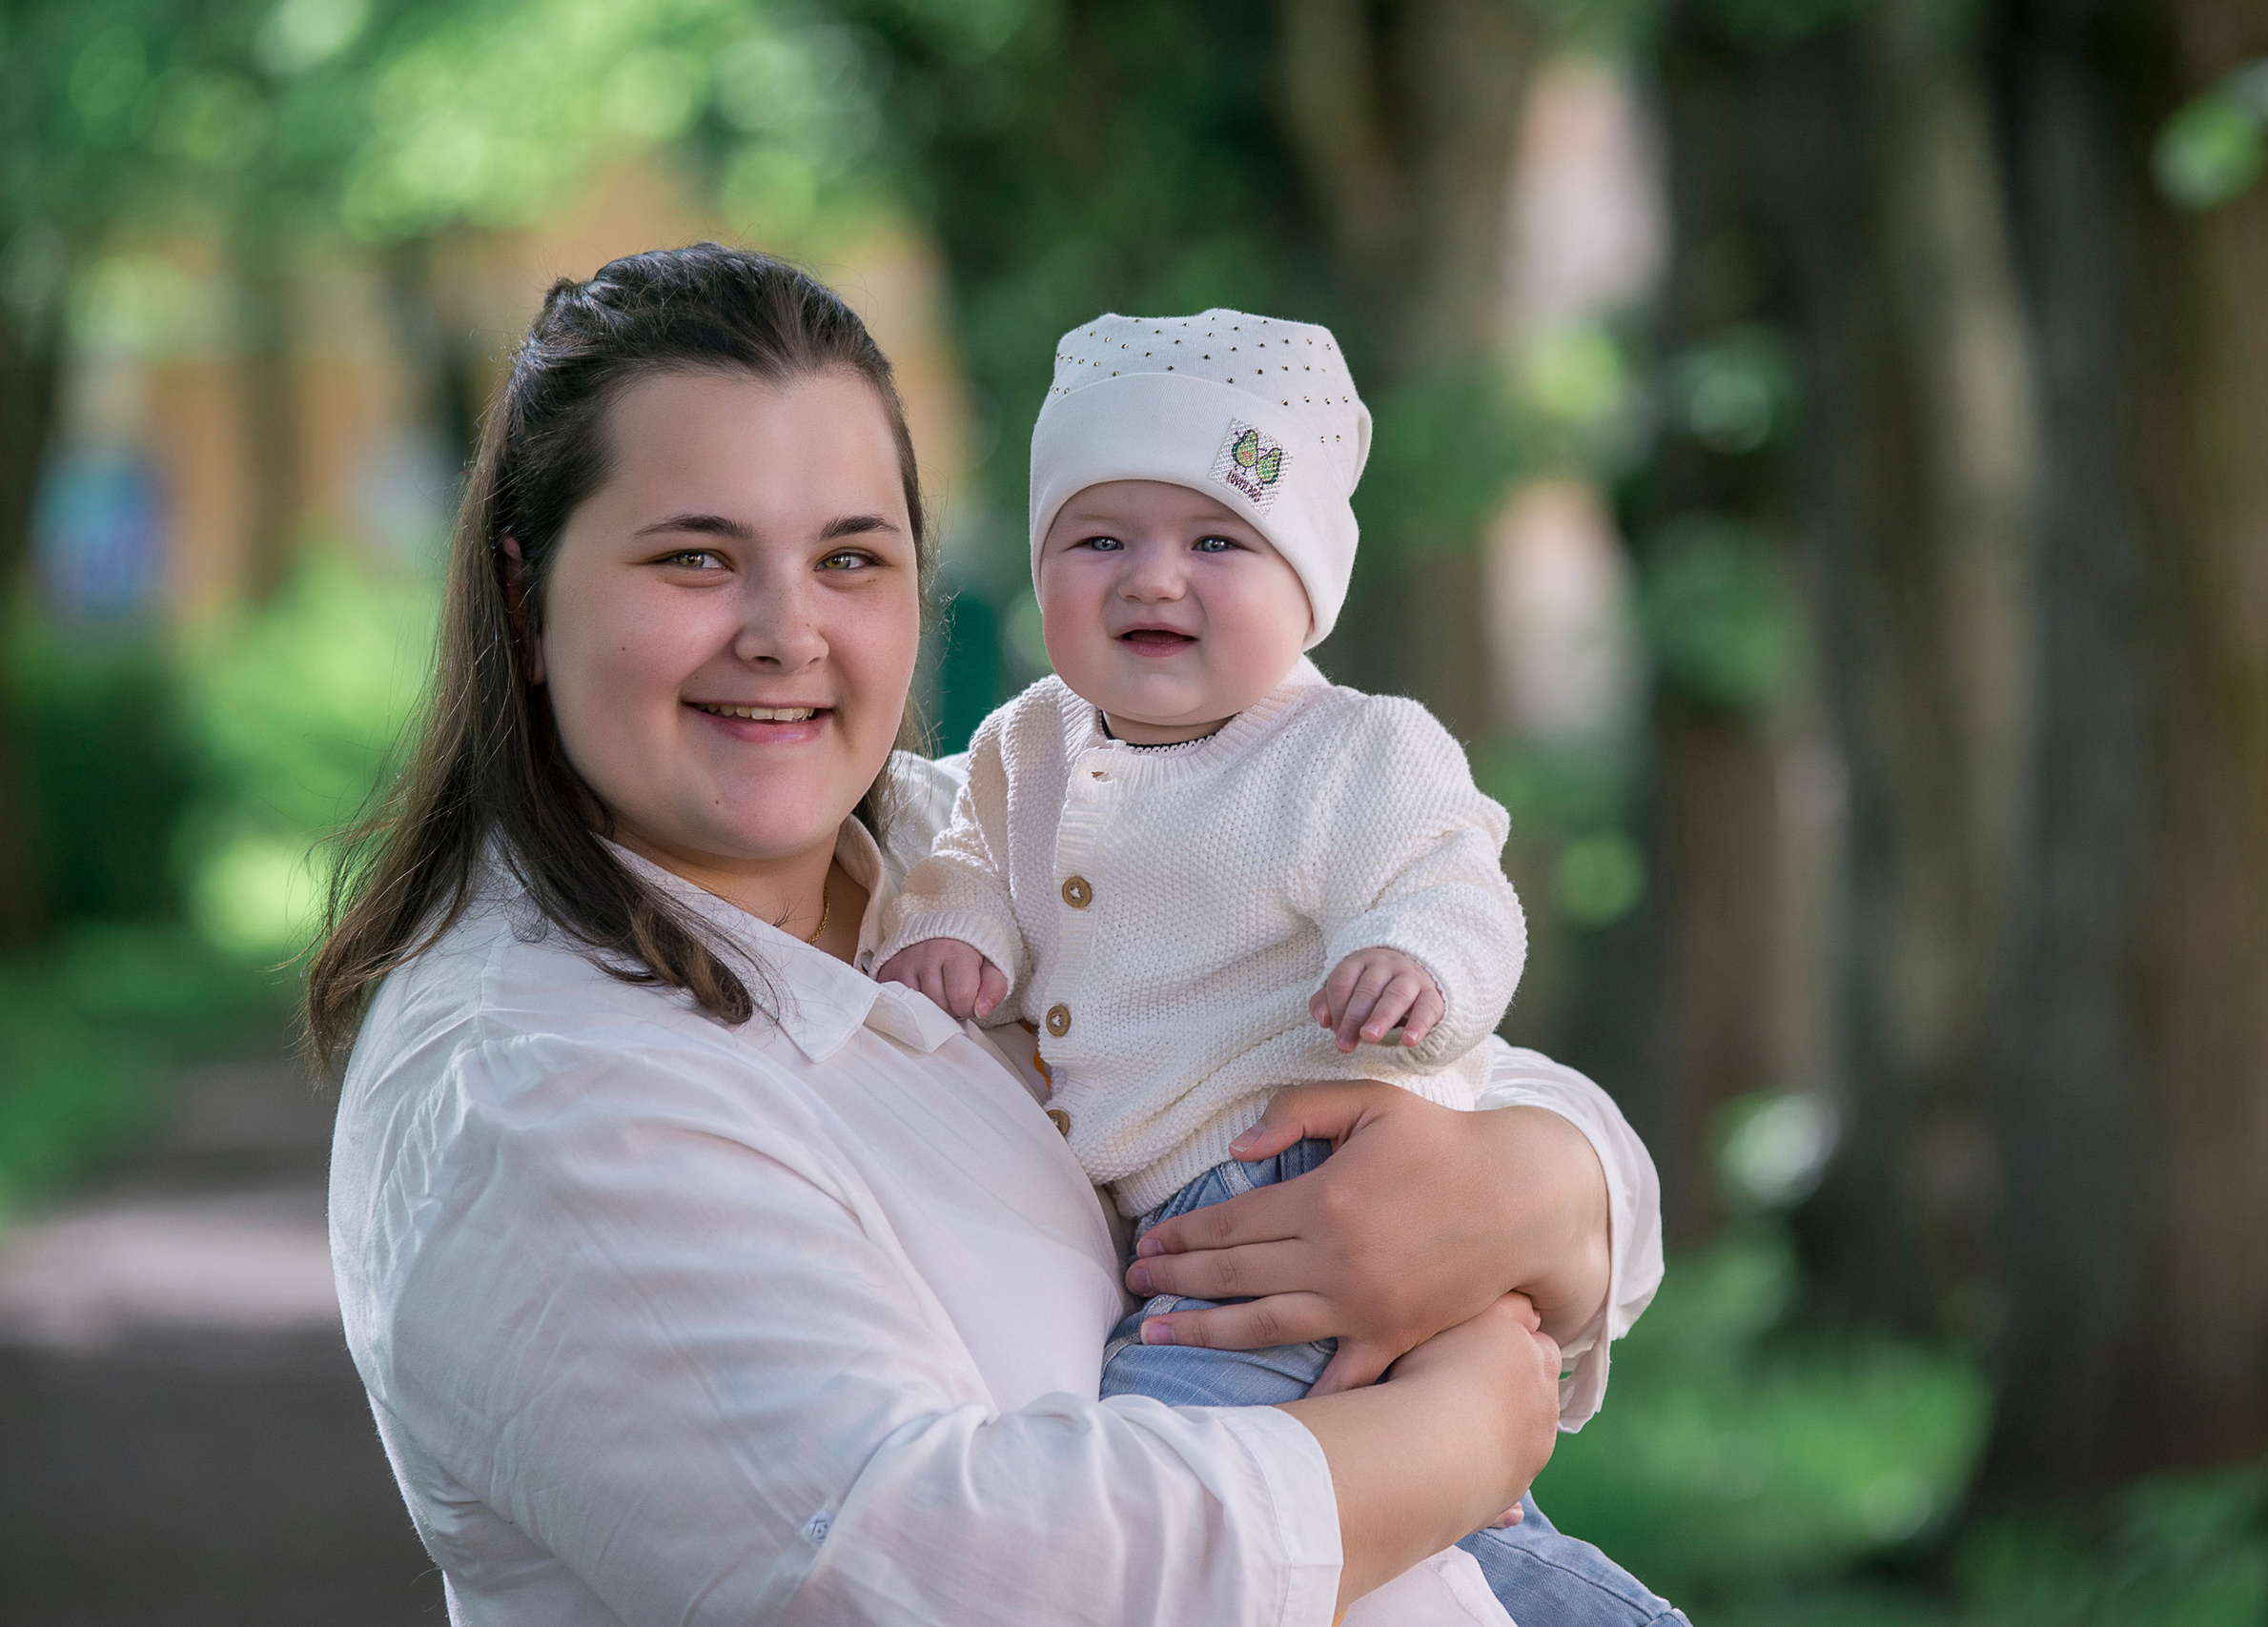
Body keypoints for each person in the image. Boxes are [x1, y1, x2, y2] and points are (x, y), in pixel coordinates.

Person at [312, 243, 1686, 1625]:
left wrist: (1535, 1195)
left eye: (851, 556)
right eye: (695, 558)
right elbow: (956, 1582)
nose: (788, 633)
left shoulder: (973, 838)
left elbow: (1514, 1106)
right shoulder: (539, 1088)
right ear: (522, 597)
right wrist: (1463, 1432)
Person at [875, 309, 1659, 1617]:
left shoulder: (1352, 753)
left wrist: (1410, 960)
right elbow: (968, 857)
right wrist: (953, 930)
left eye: (1218, 541)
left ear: (1310, 589)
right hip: (1179, 1209)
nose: (1153, 579)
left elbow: (1454, 889)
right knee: (1407, 1522)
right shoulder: (1024, 744)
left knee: (1186, 1453)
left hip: (1300, 1179)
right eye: (1100, 538)